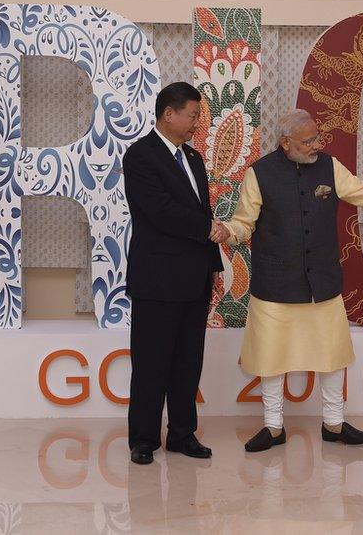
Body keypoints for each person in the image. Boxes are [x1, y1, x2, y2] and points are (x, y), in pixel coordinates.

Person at [219, 109, 363, 452]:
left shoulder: (329, 167)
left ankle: (333, 424)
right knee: (271, 359)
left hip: (322, 282)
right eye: (308, 141)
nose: (317, 145)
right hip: (275, 286)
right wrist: (226, 231)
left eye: (317, 137)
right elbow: (244, 223)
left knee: (331, 355)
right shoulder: (259, 174)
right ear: (285, 143)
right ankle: (273, 427)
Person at [123, 82, 229, 465]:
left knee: (188, 362)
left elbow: (199, 211)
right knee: (151, 362)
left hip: (194, 278)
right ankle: (143, 439)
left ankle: (183, 434)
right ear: (169, 113)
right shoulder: (140, 156)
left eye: (198, 116)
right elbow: (159, 210)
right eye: (192, 115)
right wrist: (207, 228)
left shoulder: (194, 159)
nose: (196, 123)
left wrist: (212, 264)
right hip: (157, 279)